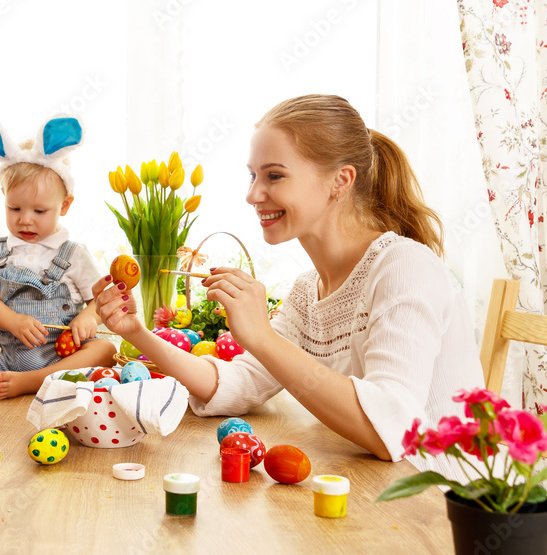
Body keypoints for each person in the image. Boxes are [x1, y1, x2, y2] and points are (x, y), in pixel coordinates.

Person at [93, 94, 484, 470]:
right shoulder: (307, 290)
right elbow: (235, 384)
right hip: (370, 490)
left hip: (444, 506)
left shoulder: (404, 266)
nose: (253, 195)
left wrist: (262, 336)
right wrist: (138, 332)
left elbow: (393, 431)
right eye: (252, 176)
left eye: (274, 176)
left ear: (340, 181)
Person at [0, 115, 116, 399]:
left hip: (54, 355)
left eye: (39, 211)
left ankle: (33, 381)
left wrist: (88, 317)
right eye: (15, 208)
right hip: (0, 348)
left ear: (65, 205)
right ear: (4, 196)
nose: (26, 221)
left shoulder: (73, 253)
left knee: (105, 349)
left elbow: (99, 299)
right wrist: (14, 321)